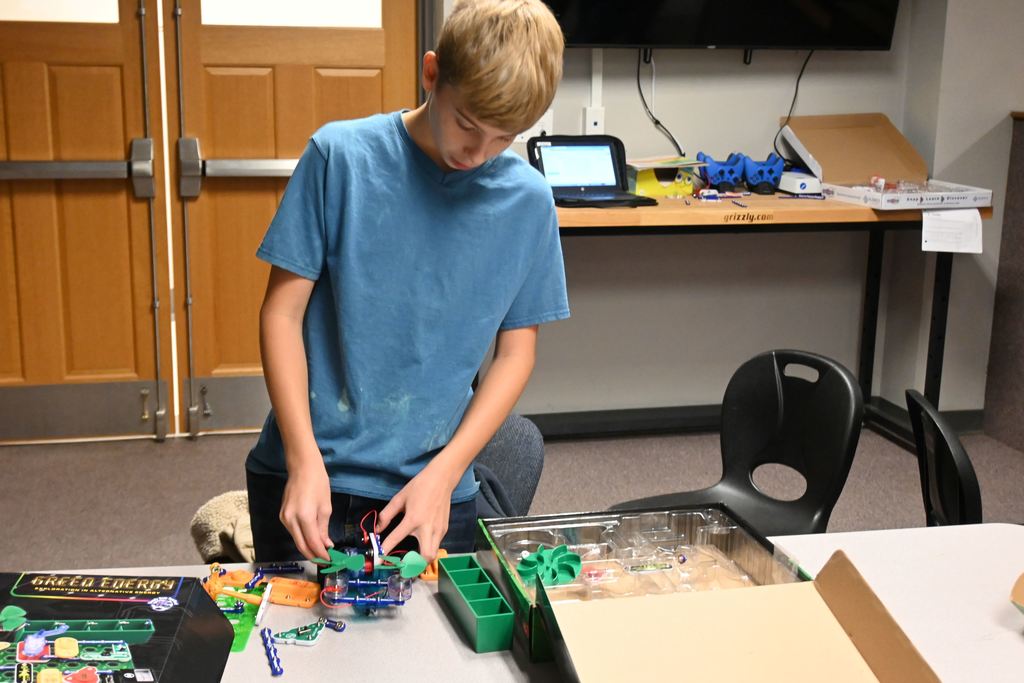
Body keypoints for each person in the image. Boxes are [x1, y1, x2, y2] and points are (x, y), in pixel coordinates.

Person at [245, 0, 568, 565]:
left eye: (504, 137)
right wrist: (302, 459)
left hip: (431, 488)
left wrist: (445, 475)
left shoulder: (528, 202)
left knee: (430, 651)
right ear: (431, 73)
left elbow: (516, 355)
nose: (479, 154)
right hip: (305, 471)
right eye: (468, 124)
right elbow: (280, 315)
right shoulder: (339, 158)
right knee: (293, 643)